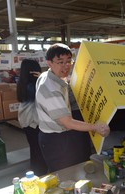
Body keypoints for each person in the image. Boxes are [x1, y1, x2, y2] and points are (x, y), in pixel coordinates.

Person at [35, 43, 110, 172]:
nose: (66, 66)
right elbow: (67, 122)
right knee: (63, 174)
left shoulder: (49, 76)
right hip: (55, 139)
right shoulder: (50, 88)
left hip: (57, 135)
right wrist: (95, 127)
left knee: (70, 171)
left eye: (69, 61)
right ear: (49, 63)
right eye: (60, 62)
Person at [17, 59, 48, 175]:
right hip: (33, 121)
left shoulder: (23, 84)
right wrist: (42, 78)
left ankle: (36, 171)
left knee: (34, 147)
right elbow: (44, 94)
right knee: (38, 148)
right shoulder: (34, 85)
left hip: (26, 119)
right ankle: (40, 172)